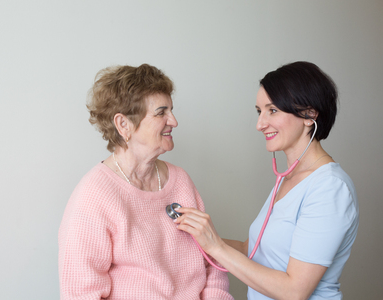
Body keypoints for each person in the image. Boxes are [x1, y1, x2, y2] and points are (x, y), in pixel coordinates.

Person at [175, 61, 359, 300]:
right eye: (259, 111)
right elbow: (251, 250)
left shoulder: (330, 188)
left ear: (309, 114)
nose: (260, 124)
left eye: (272, 110)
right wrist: (189, 238)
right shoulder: (289, 177)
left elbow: (295, 291)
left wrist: (215, 247)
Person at [58, 64, 233, 300]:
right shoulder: (93, 196)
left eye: (171, 110)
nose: (174, 121)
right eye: (161, 112)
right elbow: (80, 294)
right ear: (123, 125)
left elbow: (212, 261)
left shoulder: (180, 181)